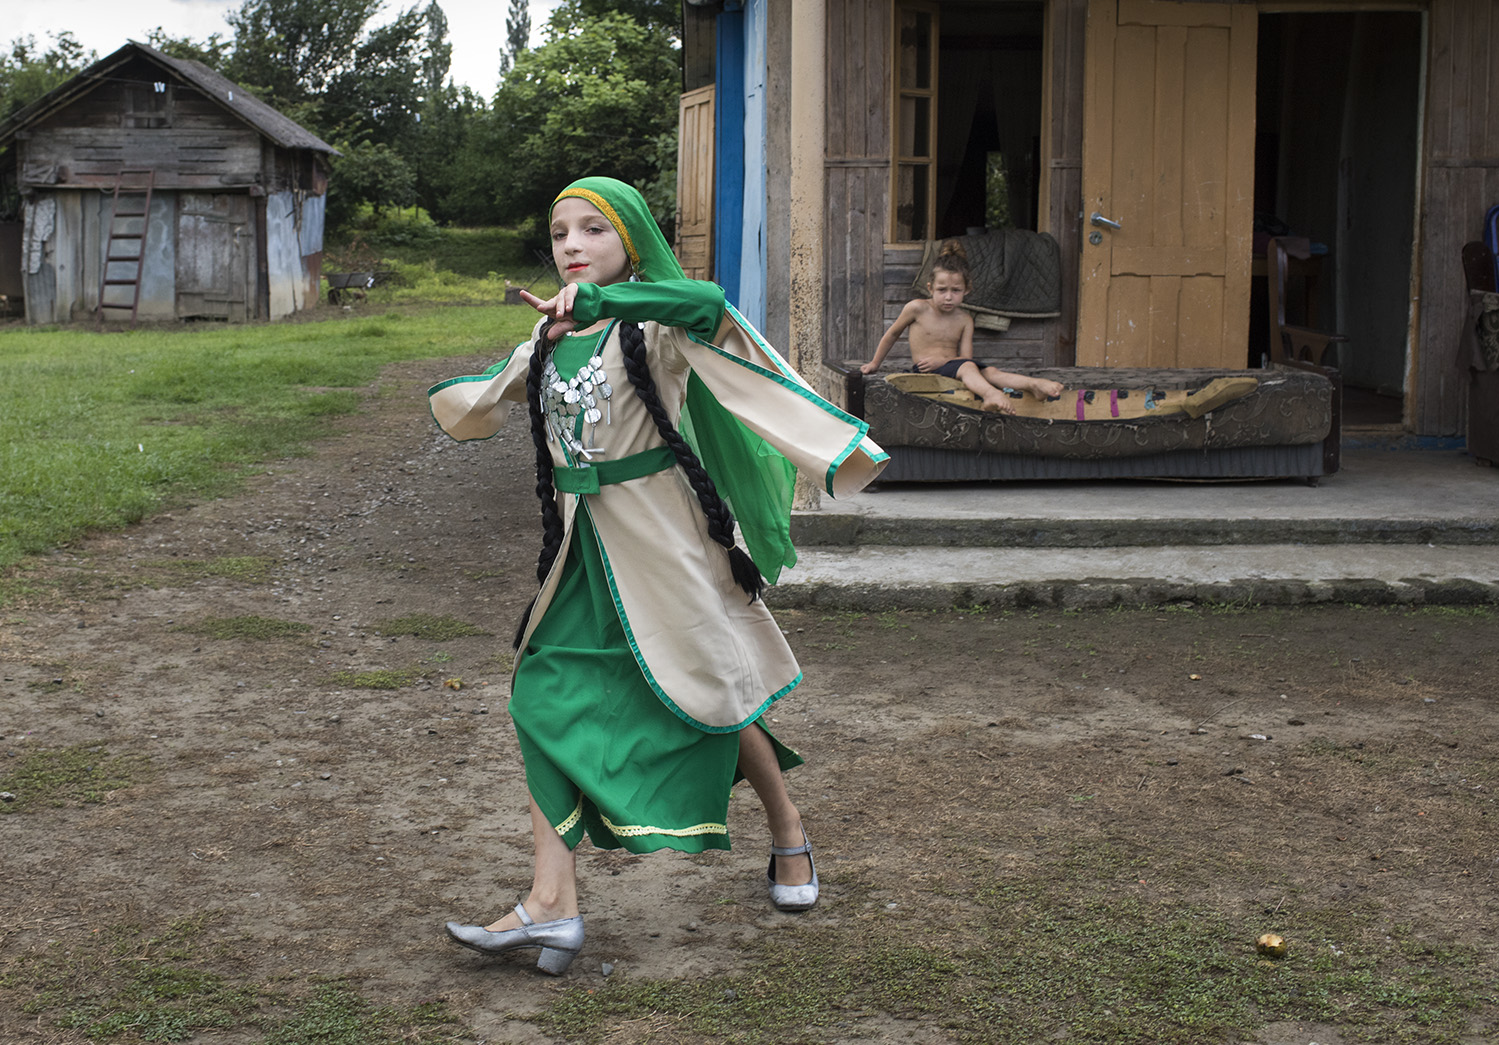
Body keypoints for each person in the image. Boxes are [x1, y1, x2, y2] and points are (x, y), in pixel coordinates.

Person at [429, 177, 886, 976]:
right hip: (583, 557)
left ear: (631, 241)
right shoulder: (549, 333)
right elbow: (493, 396)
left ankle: (788, 829)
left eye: (593, 229)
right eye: (560, 232)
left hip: (666, 550)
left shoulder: (654, 326)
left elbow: (708, 303)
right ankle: (551, 902)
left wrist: (608, 303)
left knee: (713, 697)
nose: (572, 245)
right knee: (538, 696)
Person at [859, 251, 1064, 412]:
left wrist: (943, 361)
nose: (948, 297)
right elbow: (892, 334)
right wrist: (875, 363)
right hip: (926, 370)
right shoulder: (917, 308)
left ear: (967, 290)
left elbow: (966, 358)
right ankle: (991, 394)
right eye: (942, 290)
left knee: (991, 372)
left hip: (954, 367)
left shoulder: (964, 320)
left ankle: (1034, 384)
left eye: (956, 291)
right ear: (930, 288)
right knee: (969, 368)